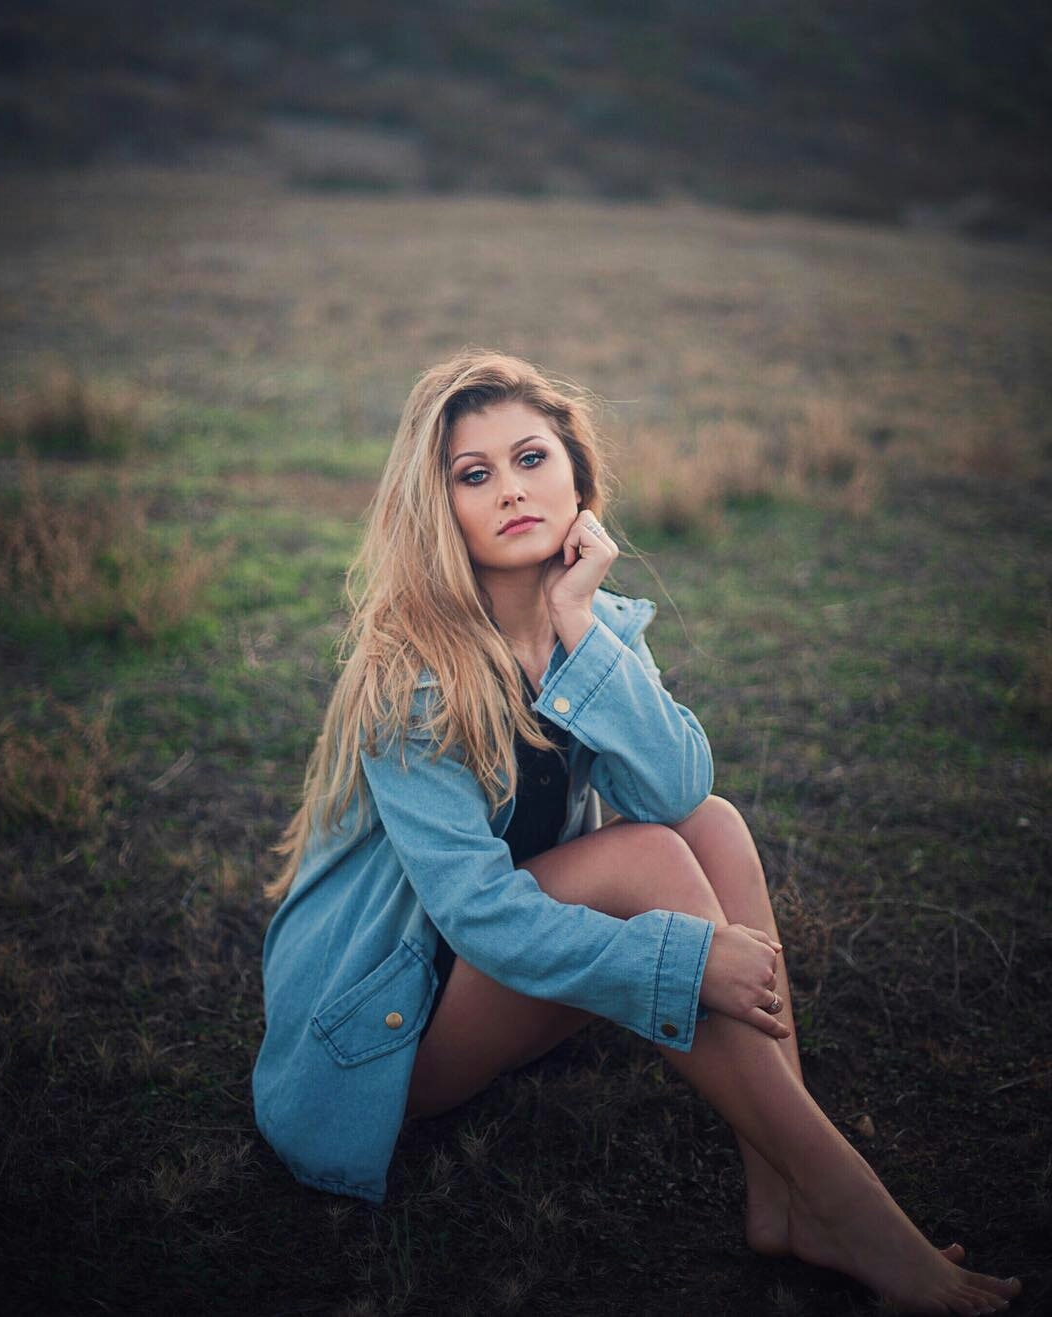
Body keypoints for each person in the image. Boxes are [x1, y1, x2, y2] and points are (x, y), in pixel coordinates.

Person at [253, 352, 1021, 1315]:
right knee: (648, 856)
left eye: (531, 457)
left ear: (576, 475)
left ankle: (785, 1191)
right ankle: (854, 1208)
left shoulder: (595, 622)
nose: (512, 489)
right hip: (394, 1038)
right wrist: (685, 962)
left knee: (712, 826)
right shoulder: (410, 676)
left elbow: (678, 785)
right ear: (436, 508)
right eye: (474, 474)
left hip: (510, 969)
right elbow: (479, 915)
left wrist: (577, 620)